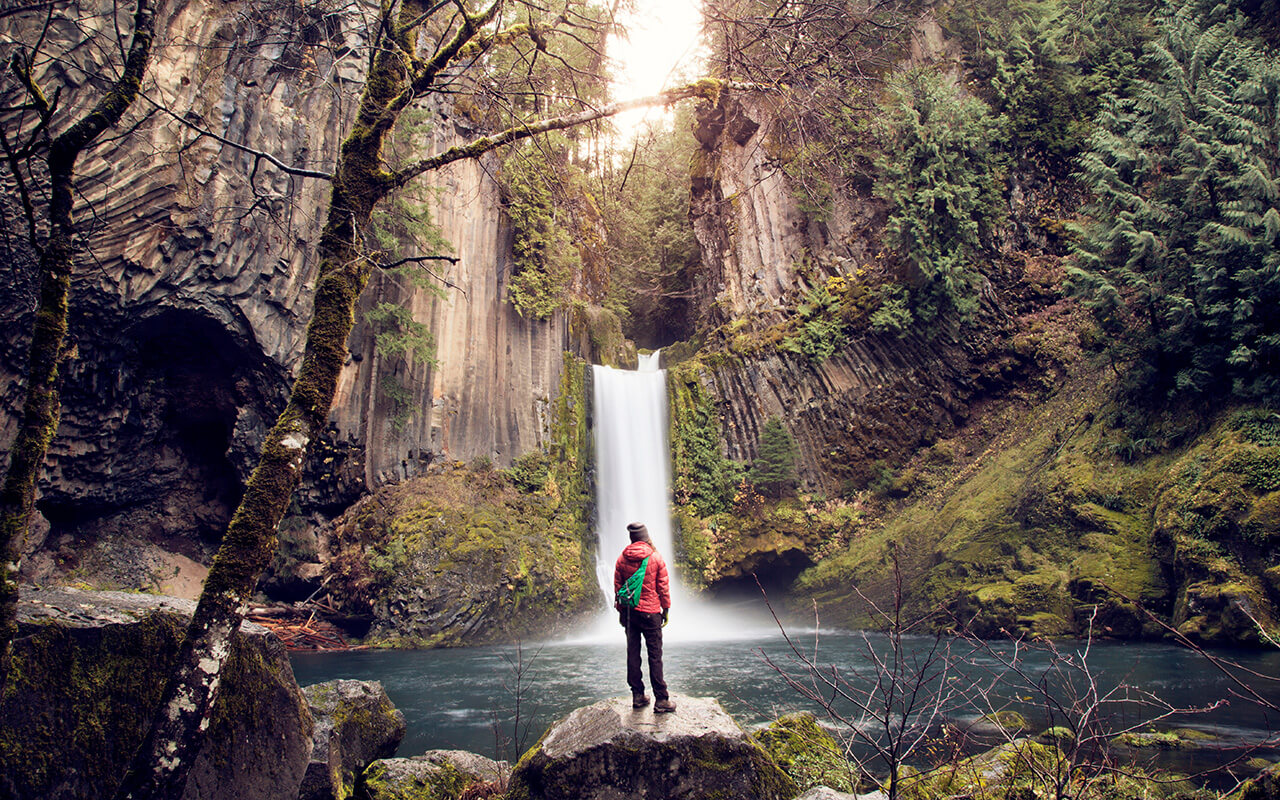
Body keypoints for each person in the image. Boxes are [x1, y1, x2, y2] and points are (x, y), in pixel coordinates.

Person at [614, 521, 675, 713]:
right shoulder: (655, 557)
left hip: (631, 613)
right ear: (646, 537)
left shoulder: (622, 559)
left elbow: (618, 588)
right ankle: (661, 699)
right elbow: (663, 586)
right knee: (655, 655)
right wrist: (665, 609)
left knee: (633, 653)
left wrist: (621, 611)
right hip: (650, 613)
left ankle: (638, 695)